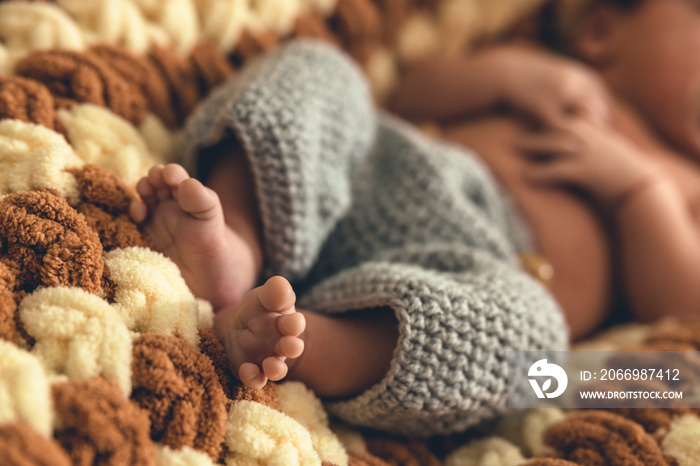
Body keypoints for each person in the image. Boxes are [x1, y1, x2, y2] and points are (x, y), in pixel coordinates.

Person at [128, 40, 566, 436]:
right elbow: (412, 91)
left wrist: (634, 192)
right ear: (600, 29)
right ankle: (237, 241)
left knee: (540, 352)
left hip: (463, 279)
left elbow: (639, 309)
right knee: (323, 68)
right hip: (365, 168)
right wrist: (508, 76)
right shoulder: (568, 79)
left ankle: (303, 345)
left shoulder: (633, 159)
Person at [390, 0, 700, 341]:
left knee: (435, 344)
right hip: (413, 175)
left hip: (497, 292)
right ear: (600, 32)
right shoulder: (544, 67)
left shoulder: (688, 183)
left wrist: (641, 192)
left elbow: (684, 305)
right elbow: (405, 97)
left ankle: (327, 346)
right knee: (334, 80)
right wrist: (504, 76)